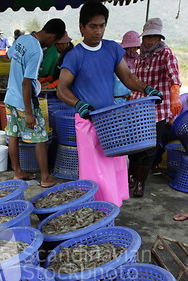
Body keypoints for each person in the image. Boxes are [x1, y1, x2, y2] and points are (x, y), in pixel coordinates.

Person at [57, 2, 163, 206]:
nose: (98, 31)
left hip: (111, 122)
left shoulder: (111, 49)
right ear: (81, 27)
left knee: (114, 167)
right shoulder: (75, 55)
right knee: (94, 172)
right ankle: (95, 210)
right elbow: (62, 89)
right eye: (92, 26)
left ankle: (112, 208)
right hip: (88, 122)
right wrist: (79, 104)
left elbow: (127, 77)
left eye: (101, 25)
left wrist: (146, 88)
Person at [5, 18, 66, 185]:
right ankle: (45, 178)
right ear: (53, 37)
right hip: (24, 101)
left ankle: (18, 172)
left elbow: (8, 56)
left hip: (10, 98)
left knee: (13, 135)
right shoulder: (36, 51)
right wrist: (29, 113)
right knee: (40, 137)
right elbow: (26, 83)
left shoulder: (22, 39)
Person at [128, 18, 182, 196]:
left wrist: (175, 96)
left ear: (159, 37)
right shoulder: (140, 55)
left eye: (154, 37)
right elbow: (134, 79)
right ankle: (131, 176)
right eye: (147, 37)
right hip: (138, 106)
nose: (150, 41)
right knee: (134, 145)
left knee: (150, 147)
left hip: (158, 109)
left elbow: (174, 78)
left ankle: (140, 183)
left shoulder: (166, 54)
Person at [114, 30, 140, 104]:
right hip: (116, 99)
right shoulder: (118, 58)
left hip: (131, 99)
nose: (135, 50)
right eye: (133, 47)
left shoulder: (137, 60)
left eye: (136, 47)